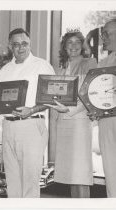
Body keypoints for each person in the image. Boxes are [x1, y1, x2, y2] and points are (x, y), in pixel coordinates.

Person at [0, 28, 55, 198]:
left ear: (29, 44)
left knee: (30, 183)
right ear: (10, 47)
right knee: (13, 182)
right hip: (8, 127)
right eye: (16, 45)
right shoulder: (5, 70)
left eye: (24, 44)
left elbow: (53, 97)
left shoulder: (42, 65)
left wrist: (31, 110)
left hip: (31, 126)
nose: (21, 48)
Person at [47, 30, 97, 198]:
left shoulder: (89, 63)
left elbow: (90, 94)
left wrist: (69, 110)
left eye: (77, 42)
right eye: (70, 43)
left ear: (82, 46)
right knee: (70, 175)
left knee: (80, 175)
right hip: (63, 125)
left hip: (79, 123)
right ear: (64, 47)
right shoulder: (59, 70)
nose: (74, 46)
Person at [92, 19, 116, 197]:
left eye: (107, 34)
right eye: (102, 34)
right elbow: (94, 95)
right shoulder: (103, 63)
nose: (103, 38)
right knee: (111, 173)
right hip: (107, 123)